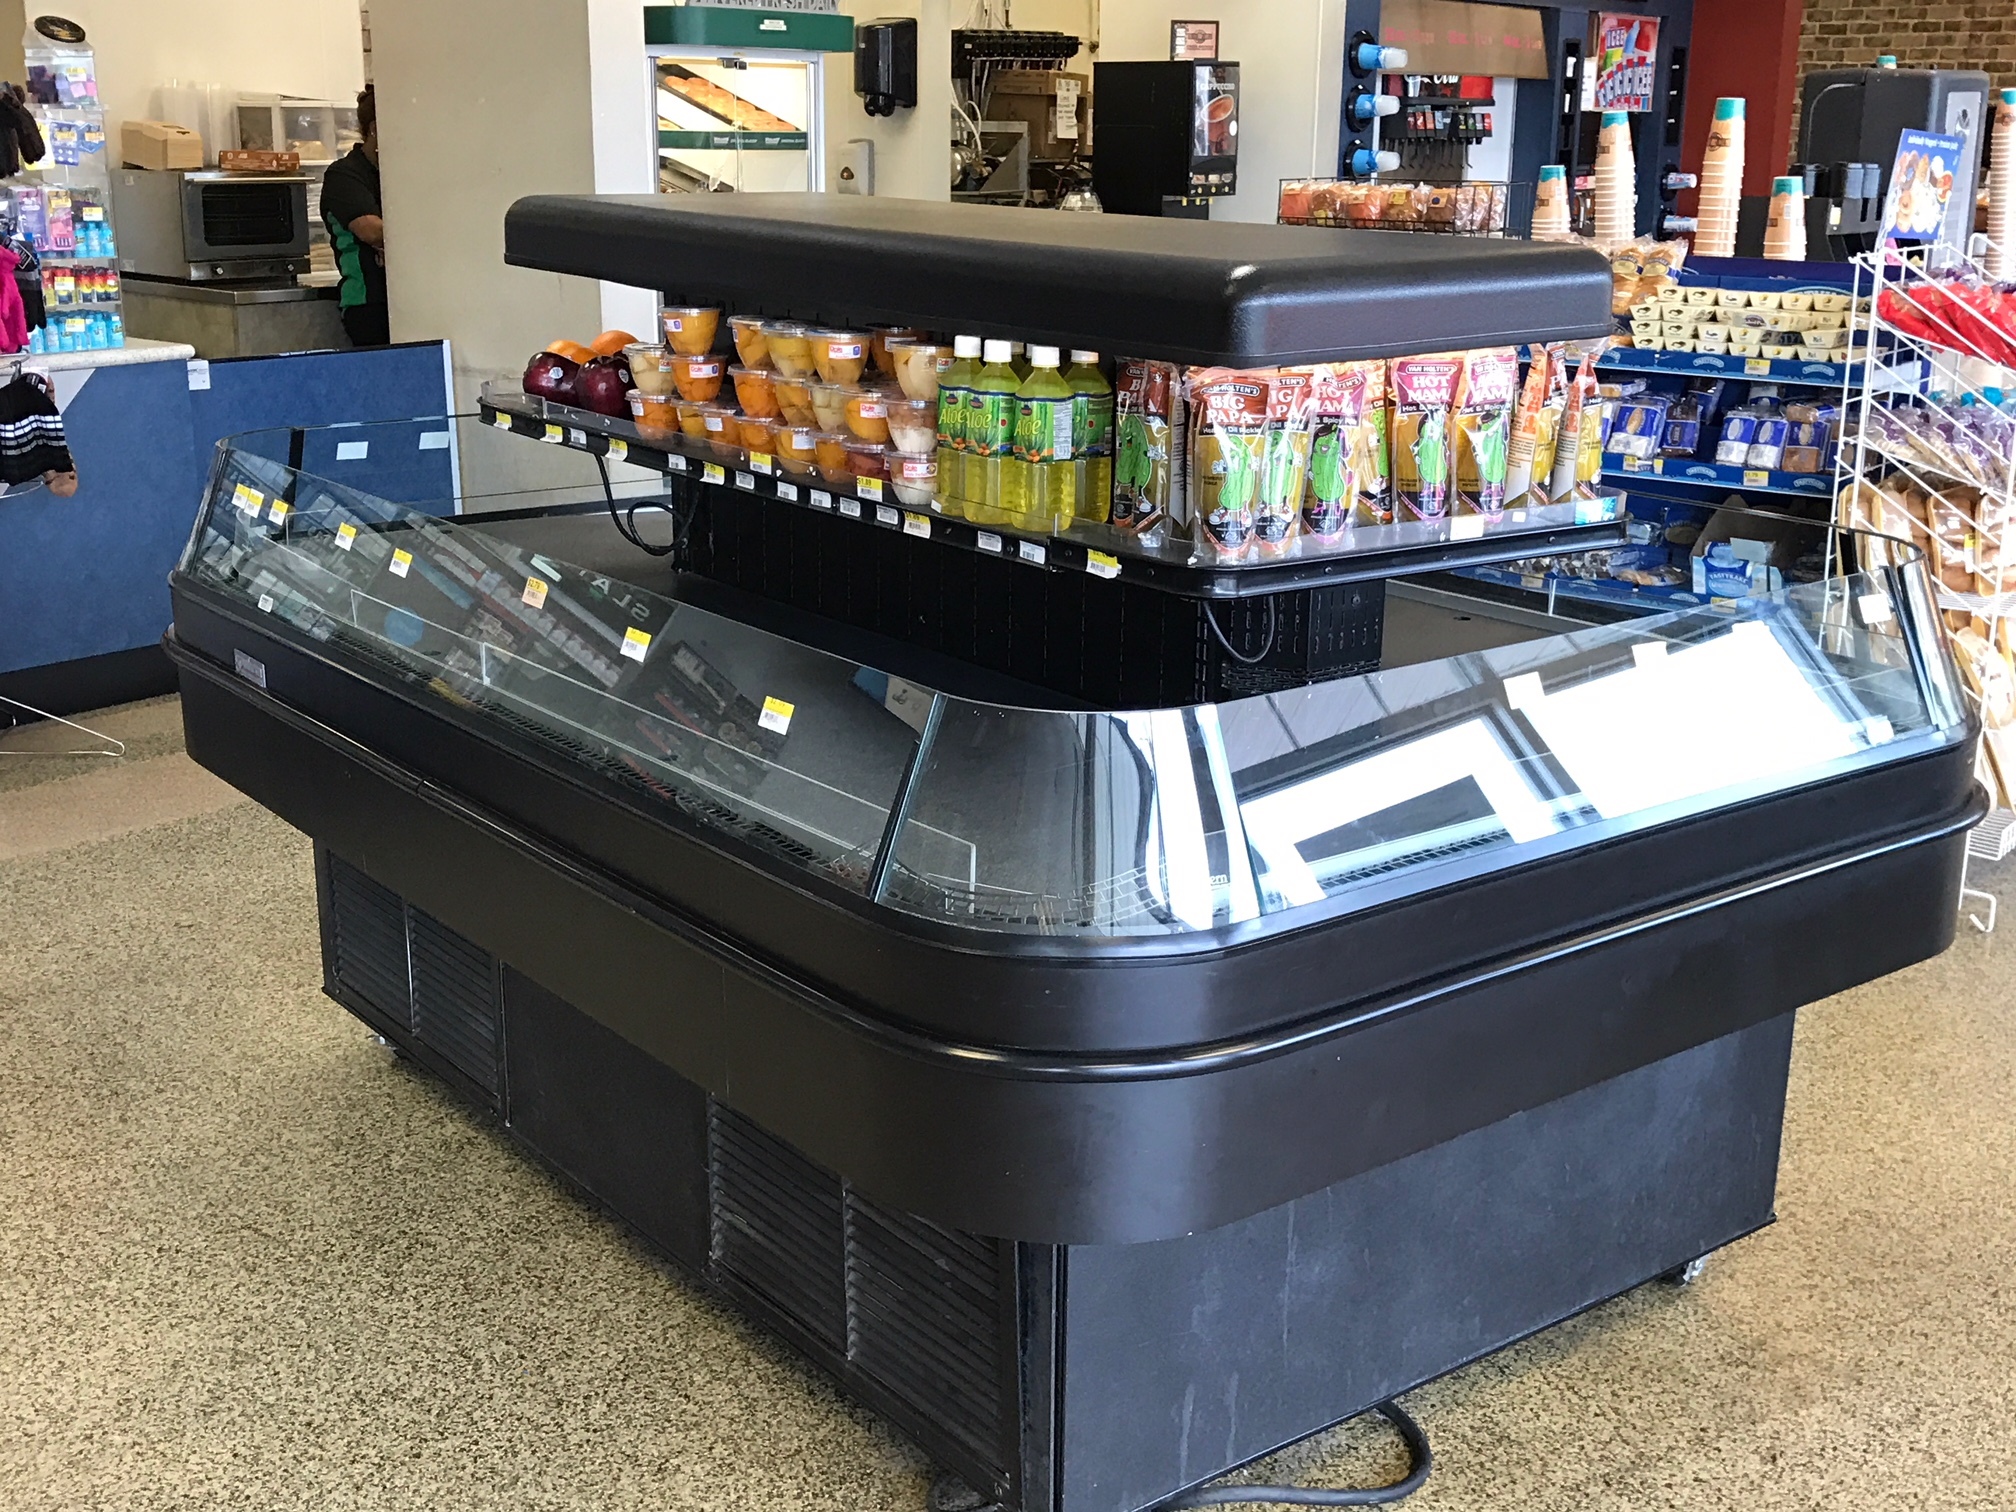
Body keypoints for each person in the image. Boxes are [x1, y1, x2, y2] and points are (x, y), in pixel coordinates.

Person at [322, 85, 388, 347]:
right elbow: (372, 231)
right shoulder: (344, 176)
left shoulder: (401, 172)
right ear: (374, 128)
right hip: (369, 304)